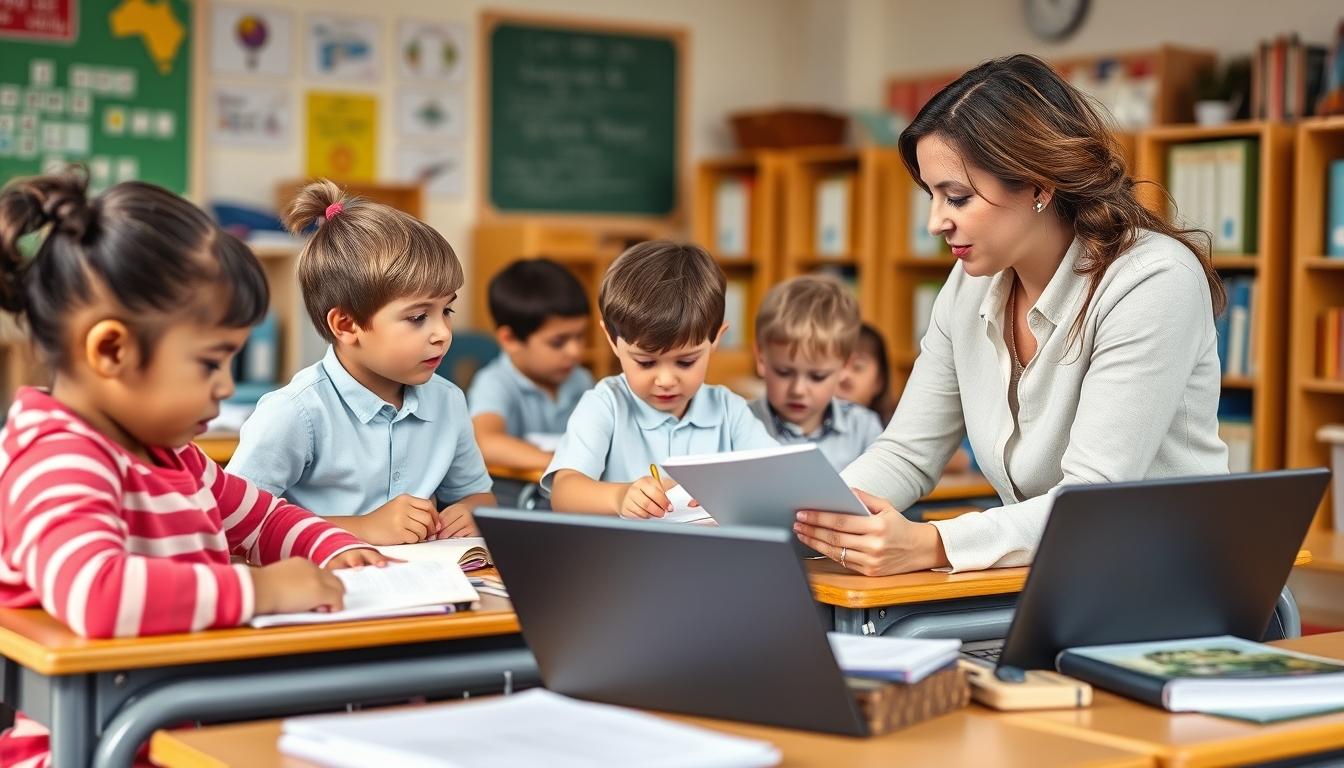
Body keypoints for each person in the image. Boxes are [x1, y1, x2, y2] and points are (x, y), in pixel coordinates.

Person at [0, 172, 385, 765]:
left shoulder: (173, 457)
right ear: (111, 351)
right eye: (210, 363)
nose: (227, 386)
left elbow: (262, 519)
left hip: (174, 725)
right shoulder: (55, 459)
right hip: (87, 746)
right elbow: (97, 593)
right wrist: (261, 589)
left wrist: (334, 549)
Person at [794, 54, 1228, 576]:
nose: (936, 222)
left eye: (955, 197)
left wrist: (931, 544)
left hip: (1164, 578)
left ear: (1040, 184)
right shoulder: (969, 286)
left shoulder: (1152, 280)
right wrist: (791, 518)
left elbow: (1091, 502)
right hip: (1049, 576)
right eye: (931, 196)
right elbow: (907, 453)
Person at [228, 180, 495, 545]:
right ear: (346, 325)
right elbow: (233, 525)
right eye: (418, 317)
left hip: (428, 587)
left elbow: (477, 496)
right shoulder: (296, 412)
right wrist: (365, 528)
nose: (443, 333)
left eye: (446, 310)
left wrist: (471, 512)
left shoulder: (448, 401)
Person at [544, 240, 777, 518]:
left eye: (686, 361)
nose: (666, 380)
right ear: (612, 340)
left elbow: (777, 479)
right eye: (646, 362)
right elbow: (564, 492)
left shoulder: (731, 411)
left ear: (716, 339)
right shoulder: (605, 405)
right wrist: (619, 497)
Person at [468, 258, 594, 472]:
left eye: (580, 336)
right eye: (558, 342)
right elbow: (485, 442)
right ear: (510, 340)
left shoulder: (581, 380)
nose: (575, 351)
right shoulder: (495, 382)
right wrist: (566, 464)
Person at [749, 275, 882, 470]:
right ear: (761, 358)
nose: (798, 390)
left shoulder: (863, 428)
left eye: (817, 376)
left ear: (845, 367)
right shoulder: (738, 423)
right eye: (784, 372)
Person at [837, 322, 895, 424]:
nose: (844, 376)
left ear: (879, 380)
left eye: (858, 366)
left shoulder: (895, 433)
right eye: (838, 365)